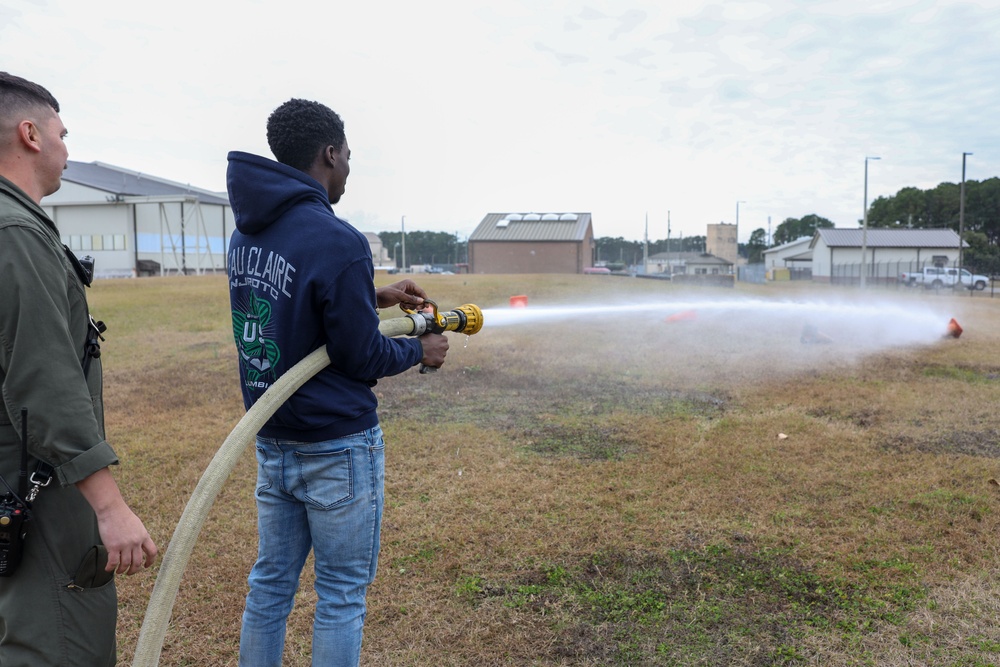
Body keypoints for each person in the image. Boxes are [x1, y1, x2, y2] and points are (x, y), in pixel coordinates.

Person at [227, 98, 449, 667]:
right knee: (341, 597)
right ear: (330, 153)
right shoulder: (337, 237)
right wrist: (419, 348)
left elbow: (294, 310)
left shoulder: (249, 233)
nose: (350, 166)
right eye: (348, 155)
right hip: (337, 447)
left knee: (271, 586)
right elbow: (358, 354)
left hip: (274, 440)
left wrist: (368, 296)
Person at [0, 72, 158, 665]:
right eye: (63, 134)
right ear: (31, 134)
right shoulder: (14, 232)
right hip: (30, 484)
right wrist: (110, 507)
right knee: (59, 635)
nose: (68, 148)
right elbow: (44, 383)